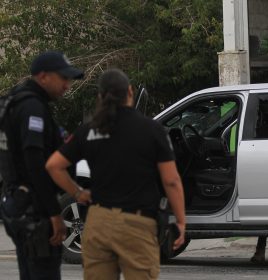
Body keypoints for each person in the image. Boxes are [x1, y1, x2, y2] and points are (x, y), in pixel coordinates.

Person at [46, 68, 186, 280]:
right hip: (138, 224)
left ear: (101, 97)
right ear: (130, 91)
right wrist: (182, 222)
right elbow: (172, 180)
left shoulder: (89, 130)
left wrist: (78, 193)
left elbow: (54, 166)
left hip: (99, 221)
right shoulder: (151, 129)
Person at [0, 51, 84, 279]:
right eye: (63, 78)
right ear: (43, 76)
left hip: (19, 203)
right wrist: (54, 213)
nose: (67, 85)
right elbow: (35, 163)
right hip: (34, 211)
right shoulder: (32, 108)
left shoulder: (17, 100)